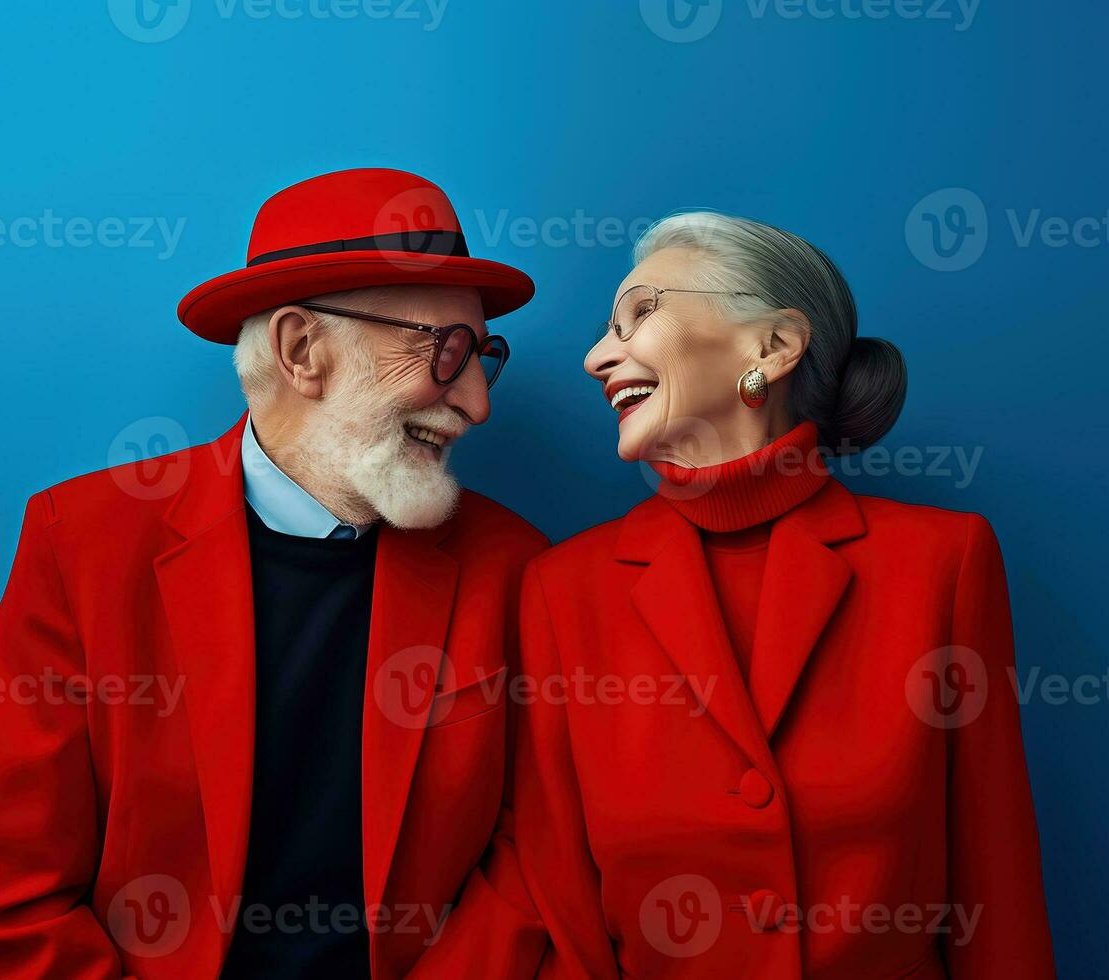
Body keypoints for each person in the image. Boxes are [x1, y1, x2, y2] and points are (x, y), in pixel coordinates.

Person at [0, 168, 547, 979]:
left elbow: (530, 866)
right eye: (444, 350)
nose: (476, 402)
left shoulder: (518, 568)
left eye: (483, 354)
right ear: (301, 351)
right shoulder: (80, 543)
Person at [417, 211, 1055, 978]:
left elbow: (998, 884)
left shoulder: (942, 562)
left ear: (775, 346)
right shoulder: (563, 590)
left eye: (638, 314)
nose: (596, 357)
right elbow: (566, 904)